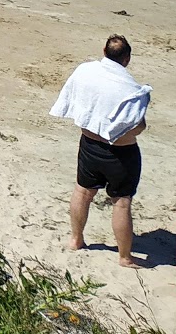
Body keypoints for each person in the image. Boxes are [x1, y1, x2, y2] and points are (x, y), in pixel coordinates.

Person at [51, 36, 149, 269]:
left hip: (89, 144)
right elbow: (138, 127)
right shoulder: (133, 90)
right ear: (127, 59)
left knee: (82, 192)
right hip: (121, 154)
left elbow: (74, 98)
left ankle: (76, 240)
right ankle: (124, 257)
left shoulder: (85, 71)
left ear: (104, 51)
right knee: (121, 203)